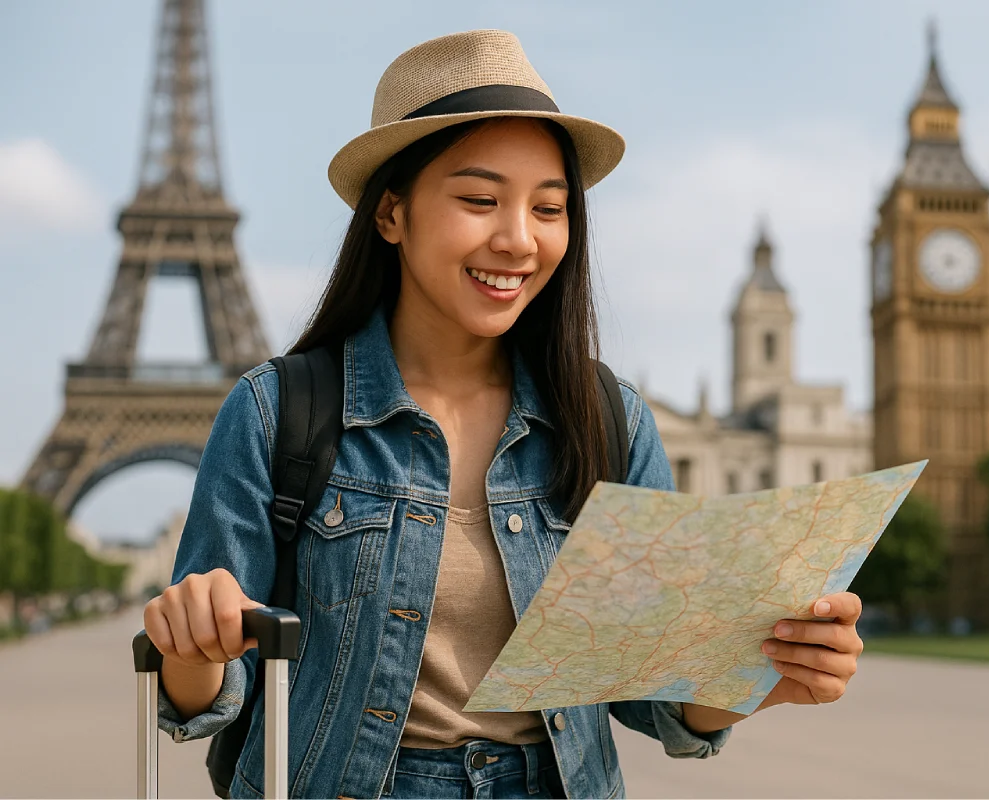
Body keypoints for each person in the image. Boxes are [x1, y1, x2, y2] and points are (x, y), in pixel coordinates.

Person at [142, 29, 866, 800]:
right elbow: (204, 699)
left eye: (548, 208)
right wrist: (194, 643)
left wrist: (763, 669)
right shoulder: (274, 412)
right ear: (392, 212)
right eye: (480, 199)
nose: (518, 239)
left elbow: (651, 692)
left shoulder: (609, 421)